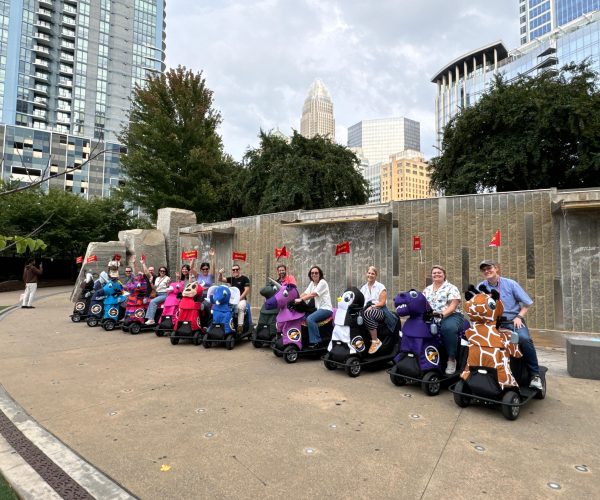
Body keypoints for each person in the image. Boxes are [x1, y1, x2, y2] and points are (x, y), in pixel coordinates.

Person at [477, 260, 542, 390]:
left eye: (489, 268)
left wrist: (519, 317)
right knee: (478, 340)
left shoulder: (511, 284)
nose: (487, 271)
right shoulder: (481, 287)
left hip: (512, 321)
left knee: (524, 339)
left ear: (496, 268)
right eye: (484, 270)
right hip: (492, 322)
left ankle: (535, 375)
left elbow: (527, 303)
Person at [423, 265, 464, 375]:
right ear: (431, 275)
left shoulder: (451, 288)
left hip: (452, 315)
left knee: (448, 328)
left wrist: (441, 315)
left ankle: (451, 359)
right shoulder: (427, 289)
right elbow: (422, 304)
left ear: (444, 275)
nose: (436, 274)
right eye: (434, 273)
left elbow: (453, 306)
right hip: (432, 316)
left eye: (439, 272)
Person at [360, 266, 397, 355]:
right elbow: (360, 302)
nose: (370, 275)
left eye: (373, 274)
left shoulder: (380, 286)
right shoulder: (363, 288)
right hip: (366, 309)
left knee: (368, 313)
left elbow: (382, 303)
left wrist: (372, 306)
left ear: (376, 275)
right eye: (369, 273)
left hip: (380, 311)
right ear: (366, 274)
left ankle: (375, 341)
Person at [294, 266, 332, 348]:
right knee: (303, 317)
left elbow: (313, 294)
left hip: (326, 309)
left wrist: (300, 300)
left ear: (320, 274)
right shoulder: (312, 283)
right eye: (312, 273)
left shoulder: (322, 282)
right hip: (318, 309)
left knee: (310, 319)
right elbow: (306, 293)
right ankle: (304, 340)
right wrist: (294, 299)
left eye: (316, 273)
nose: (314, 274)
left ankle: (316, 342)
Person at [218, 264, 251, 333]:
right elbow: (220, 279)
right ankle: (224, 325)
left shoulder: (245, 278)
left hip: (241, 300)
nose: (235, 271)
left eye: (237, 269)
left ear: (239, 270)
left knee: (240, 307)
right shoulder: (231, 279)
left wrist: (239, 299)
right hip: (232, 300)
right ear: (232, 271)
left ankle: (240, 326)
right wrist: (220, 273)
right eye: (233, 270)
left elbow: (246, 290)